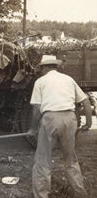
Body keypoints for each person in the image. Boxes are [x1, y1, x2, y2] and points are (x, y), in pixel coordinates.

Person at [28, 55, 92, 198]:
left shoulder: (40, 81)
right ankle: (80, 194)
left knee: (43, 161)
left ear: (45, 67)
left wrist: (33, 128)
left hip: (50, 119)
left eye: (41, 68)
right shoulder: (68, 79)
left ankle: (42, 195)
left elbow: (36, 108)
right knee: (71, 161)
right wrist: (89, 122)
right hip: (70, 119)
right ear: (55, 66)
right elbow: (86, 101)